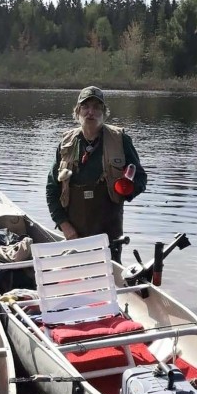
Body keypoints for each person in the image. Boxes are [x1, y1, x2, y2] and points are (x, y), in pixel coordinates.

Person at [46, 86, 147, 262]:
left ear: (104, 112)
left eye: (96, 107)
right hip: (74, 233)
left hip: (110, 234)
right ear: (77, 111)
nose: (90, 112)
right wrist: (65, 226)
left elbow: (140, 178)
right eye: (85, 107)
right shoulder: (65, 143)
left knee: (109, 278)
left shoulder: (120, 140)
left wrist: (127, 190)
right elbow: (51, 189)